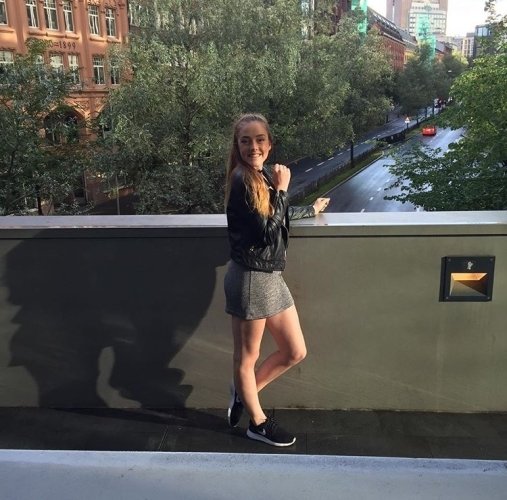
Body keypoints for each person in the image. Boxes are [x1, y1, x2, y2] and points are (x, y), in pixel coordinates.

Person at [224, 113, 330, 447]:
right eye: (245, 141)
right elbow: (267, 234)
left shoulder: (261, 175)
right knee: (246, 358)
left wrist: (310, 210)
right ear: (237, 146)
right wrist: (284, 188)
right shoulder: (242, 180)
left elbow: (275, 216)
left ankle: (244, 393)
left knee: (294, 351)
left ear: (269, 144)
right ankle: (257, 423)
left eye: (259, 140)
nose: (253, 147)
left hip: (270, 276)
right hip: (251, 279)